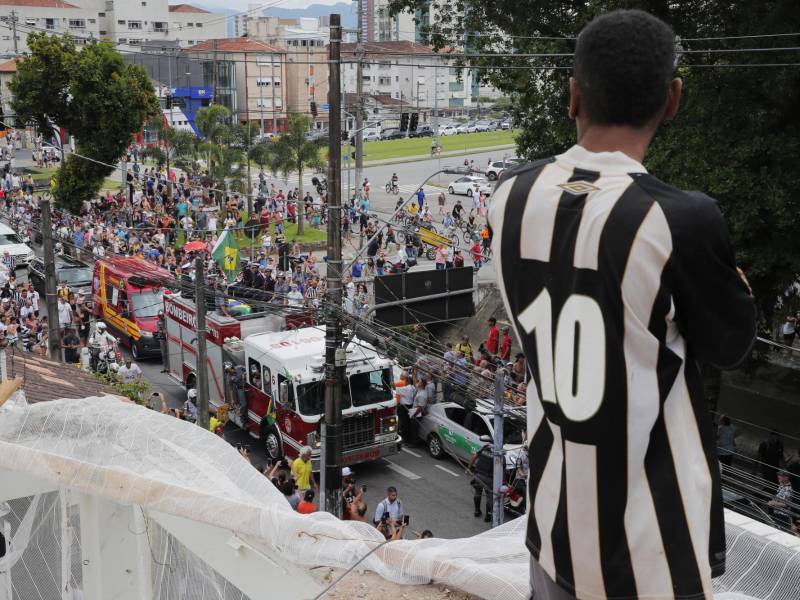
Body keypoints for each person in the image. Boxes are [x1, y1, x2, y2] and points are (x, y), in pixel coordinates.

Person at [488, 10, 756, 600]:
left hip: (553, 531)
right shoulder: (681, 218)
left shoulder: (508, 194)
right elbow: (730, 346)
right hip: (655, 551)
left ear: (573, 96)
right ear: (673, 100)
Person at [467, 441, 494, 522]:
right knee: (489, 497)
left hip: (478, 475)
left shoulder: (485, 448)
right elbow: (502, 469)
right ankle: (488, 517)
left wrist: (469, 468)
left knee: (477, 492)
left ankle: (477, 511)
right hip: (489, 479)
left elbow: (474, 456)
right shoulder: (499, 453)